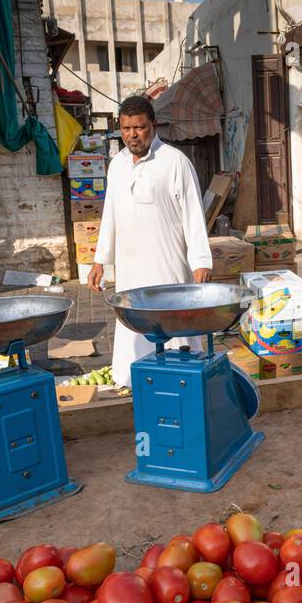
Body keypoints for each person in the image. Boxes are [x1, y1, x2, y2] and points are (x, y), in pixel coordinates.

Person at [90, 95, 212, 386]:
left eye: (140, 127)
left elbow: (193, 213)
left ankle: (181, 380)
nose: (133, 134)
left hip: (167, 264)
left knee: (173, 323)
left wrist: (201, 260)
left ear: (153, 126)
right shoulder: (117, 164)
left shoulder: (174, 161)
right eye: (126, 128)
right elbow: (110, 214)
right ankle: (135, 382)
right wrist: (99, 261)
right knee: (134, 323)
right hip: (130, 268)